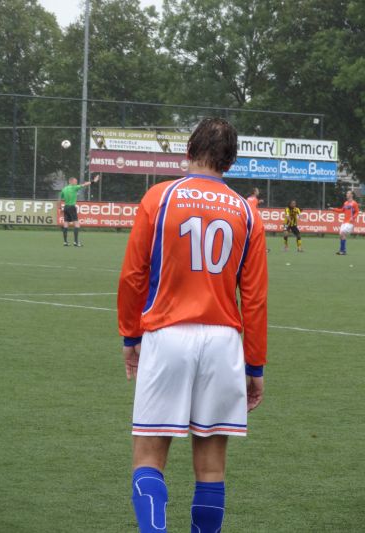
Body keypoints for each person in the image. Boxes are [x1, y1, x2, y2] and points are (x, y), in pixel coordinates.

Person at [118, 118, 267, 533]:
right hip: (223, 342)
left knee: (149, 458)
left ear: (188, 151)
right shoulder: (246, 212)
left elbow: (133, 275)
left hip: (167, 335)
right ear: (230, 162)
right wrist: (254, 366)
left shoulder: (159, 197)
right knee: (211, 469)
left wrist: (130, 336)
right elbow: (254, 299)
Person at [58, 176, 98, 247]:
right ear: (71, 181)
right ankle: (76, 242)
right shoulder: (74, 187)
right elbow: (84, 184)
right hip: (72, 207)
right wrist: (93, 181)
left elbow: (59, 199)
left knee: (66, 224)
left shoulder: (64, 189)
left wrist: (59, 208)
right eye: (75, 181)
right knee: (76, 224)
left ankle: (65, 242)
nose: (76, 183)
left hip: (66, 207)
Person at [329, 191, 359, 255]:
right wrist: (333, 209)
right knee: (341, 235)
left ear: (352, 195)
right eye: (347, 193)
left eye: (348, 193)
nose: (347, 194)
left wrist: (353, 217)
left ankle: (343, 251)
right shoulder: (345, 203)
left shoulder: (354, 203)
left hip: (350, 222)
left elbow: (357, 212)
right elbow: (342, 210)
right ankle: (342, 250)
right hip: (344, 222)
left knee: (342, 233)